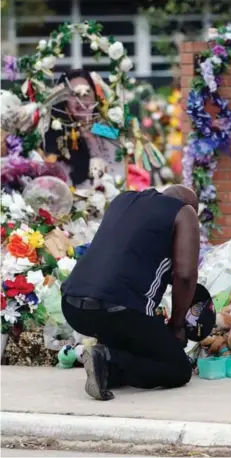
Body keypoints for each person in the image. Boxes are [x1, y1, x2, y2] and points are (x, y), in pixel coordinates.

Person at [61, 185, 207, 400]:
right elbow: (185, 276)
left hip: (73, 305)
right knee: (177, 369)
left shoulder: (123, 200)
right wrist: (176, 327)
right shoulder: (184, 211)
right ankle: (109, 360)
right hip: (120, 307)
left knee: (132, 339)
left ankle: (105, 364)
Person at [43, 69, 124, 186]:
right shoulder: (56, 133)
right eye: (74, 94)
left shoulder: (103, 128)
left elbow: (127, 138)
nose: (81, 100)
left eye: (87, 93)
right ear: (64, 102)